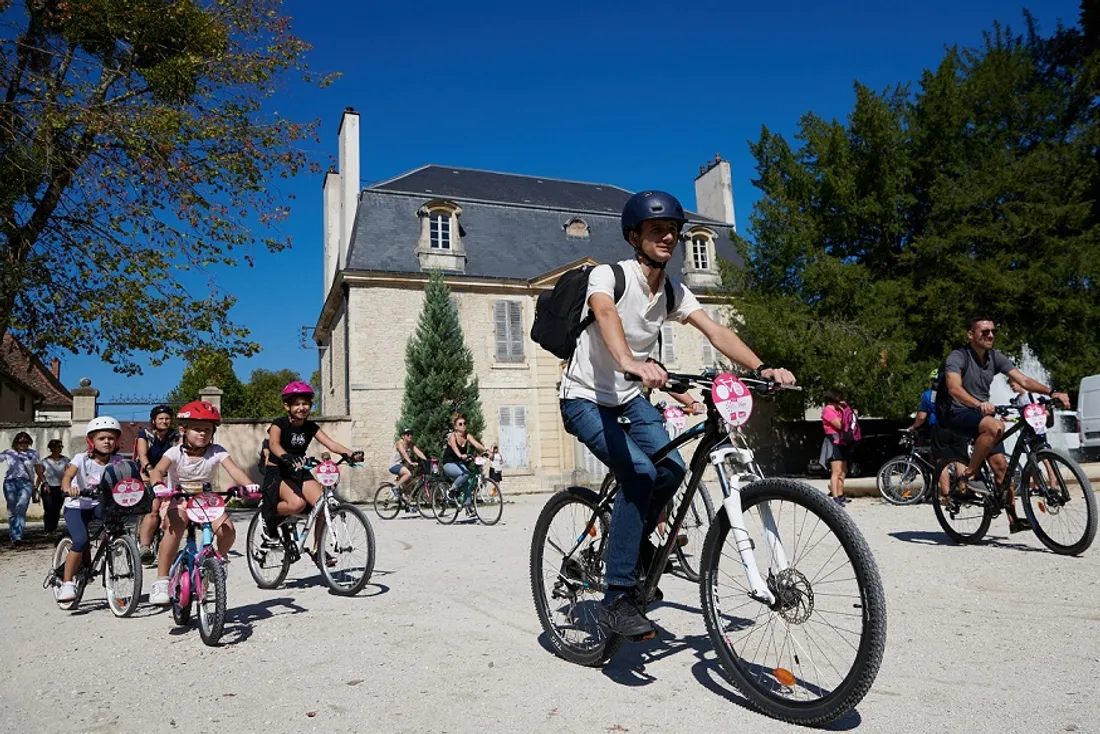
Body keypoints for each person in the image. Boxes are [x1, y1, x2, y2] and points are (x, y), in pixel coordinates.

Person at [559, 189, 795, 639]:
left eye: (673, 230)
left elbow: (715, 330)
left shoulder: (672, 290)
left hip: (629, 400)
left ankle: (636, 550)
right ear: (634, 236)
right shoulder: (609, 277)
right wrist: (630, 362)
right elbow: (605, 314)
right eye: (656, 230)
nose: (668, 236)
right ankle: (615, 597)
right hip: (585, 397)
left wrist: (761, 367)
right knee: (640, 474)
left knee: (671, 468)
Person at [942, 316, 1069, 533]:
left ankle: (1014, 520)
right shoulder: (957, 357)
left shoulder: (995, 358)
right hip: (958, 412)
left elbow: (1024, 381)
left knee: (1003, 469)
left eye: (993, 331)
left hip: (982, 414)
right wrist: (978, 403)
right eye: (984, 332)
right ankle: (969, 474)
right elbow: (954, 388)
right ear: (971, 335)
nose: (990, 335)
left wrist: (1052, 392)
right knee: (995, 426)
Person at [146, 400, 257, 606]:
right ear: (183, 430)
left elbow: (234, 470)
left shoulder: (216, 451)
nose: (203, 434)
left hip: (205, 501)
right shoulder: (174, 452)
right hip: (178, 499)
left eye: (207, 430)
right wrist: (158, 484)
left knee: (227, 529)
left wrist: (250, 485)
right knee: (175, 526)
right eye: (197, 429)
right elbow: (158, 470)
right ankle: (161, 581)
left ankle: (218, 561)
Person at [261, 381, 363, 550]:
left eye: (306, 403)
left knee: (322, 505)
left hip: (298, 470)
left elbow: (331, 444)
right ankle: (268, 514)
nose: (302, 407)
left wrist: (351, 454)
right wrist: (285, 456)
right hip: (278, 471)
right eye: (297, 404)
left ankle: (318, 550)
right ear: (287, 406)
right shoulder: (278, 424)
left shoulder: (310, 427)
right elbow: (273, 444)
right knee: (297, 504)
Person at [56, 417, 127, 601]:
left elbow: (131, 476)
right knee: (79, 541)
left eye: (111, 438)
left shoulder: (118, 461)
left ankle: (113, 544)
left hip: (98, 504)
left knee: (115, 522)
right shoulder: (81, 459)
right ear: (91, 441)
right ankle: (67, 583)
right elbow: (67, 476)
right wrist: (68, 488)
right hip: (77, 506)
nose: (107, 442)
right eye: (102, 438)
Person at [907, 369, 968, 500]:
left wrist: (914, 426)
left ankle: (947, 496)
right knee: (960, 460)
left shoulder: (928, 395)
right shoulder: (958, 392)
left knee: (942, 462)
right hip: (959, 426)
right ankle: (963, 491)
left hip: (940, 428)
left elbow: (922, 417)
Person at [136, 405, 179, 565]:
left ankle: (168, 546)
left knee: (172, 509)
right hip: (148, 473)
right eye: (161, 418)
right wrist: (151, 471)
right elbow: (142, 455)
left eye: (167, 418)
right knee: (153, 509)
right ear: (154, 420)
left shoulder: (175, 436)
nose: (164, 421)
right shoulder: (145, 433)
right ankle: (145, 547)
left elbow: (179, 454)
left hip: (169, 475)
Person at [1, 432, 44, 547]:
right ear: (16, 442)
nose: (23, 444)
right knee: (12, 510)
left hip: (26, 483)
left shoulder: (33, 453)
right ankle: (13, 534)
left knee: (21, 507)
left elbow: (38, 469)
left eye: (26, 442)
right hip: (10, 482)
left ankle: (18, 536)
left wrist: (43, 481)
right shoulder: (9, 453)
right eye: (20, 442)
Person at [819, 390, 853, 506]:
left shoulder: (838, 410)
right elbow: (839, 425)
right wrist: (844, 413)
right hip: (833, 441)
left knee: (843, 471)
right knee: (836, 471)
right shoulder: (828, 410)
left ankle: (840, 494)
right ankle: (835, 497)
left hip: (842, 442)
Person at [441, 413, 487, 499]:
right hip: (448, 464)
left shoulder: (467, 436)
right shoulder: (452, 436)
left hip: (459, 464)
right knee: (465, 474)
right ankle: (451, 490)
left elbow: (476, 444)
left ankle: (468, 507)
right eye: (460, 424)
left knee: (468, 483)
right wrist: (460, 455)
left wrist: (486, 450)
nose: (463, 425)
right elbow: (454, 448)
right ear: (456, 427)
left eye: (464, 423)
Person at [38, 439, 70, 537]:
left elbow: (68, 474)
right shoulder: (45, 461)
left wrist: (66, 485)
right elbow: (40, 474)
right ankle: (48, 529)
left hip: (60, 487)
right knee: (48, 508)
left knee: (57, 508)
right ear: (51, 448)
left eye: (60, 447)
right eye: (56, 447)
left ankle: (53, 529)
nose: (58, 449)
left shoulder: (66, 460)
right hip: (47, 487)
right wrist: (37, 486)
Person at [389, 428, 428, 501]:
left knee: (409, 484)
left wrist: (427, 461)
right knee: (408, 474)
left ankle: (408, 504)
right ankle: (395, 487)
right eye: (408, 434)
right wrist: (410, 462)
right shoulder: (399, 443)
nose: (410, 436)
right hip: (394, 465)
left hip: (402, 466)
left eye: (411, 434)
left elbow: (419, 452)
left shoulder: (410, 444)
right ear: (403, 436)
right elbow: (404, 453)